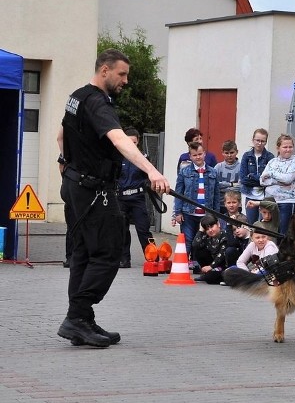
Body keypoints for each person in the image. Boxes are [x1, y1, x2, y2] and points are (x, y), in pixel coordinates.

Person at [57, 48, 170, 348]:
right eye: (122, 74)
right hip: (94, 189)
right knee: (108, 253)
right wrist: (152, 172)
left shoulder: (77, 96)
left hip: (75, 184)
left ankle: (80, 319)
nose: (126, 81)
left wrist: (65, 166)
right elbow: (119, 139)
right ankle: (78, 317)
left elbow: (61, 134)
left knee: (82, 252)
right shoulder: (97, 103)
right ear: (104, 70)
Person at [172, 141, 220, 262]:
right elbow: (178, 194)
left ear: (204, 154)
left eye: (200, 154)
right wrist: (177, 212)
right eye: (194, 155)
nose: (198, 157)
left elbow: (216, 195)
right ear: (190, 156)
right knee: (188, 239)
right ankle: (182, 264)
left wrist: (216, 215)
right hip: (188, 213)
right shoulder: (184, 172)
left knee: (203, 241)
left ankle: (198, 263)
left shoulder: (213, 172)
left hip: (206, 214)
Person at [117, 127, 153, 269]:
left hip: (137, 197)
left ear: (138, 142)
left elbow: (149, 175)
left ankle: (152, 258)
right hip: (121, 198)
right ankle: (124, 259)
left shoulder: (143, 157)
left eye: (134, 142)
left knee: (143, 229)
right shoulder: (118, 157)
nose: (132, 145)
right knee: (122, 230)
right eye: (129, 142)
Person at [259, 134, 295, 236]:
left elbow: (288, 179)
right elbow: (262, 181)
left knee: (282, 232)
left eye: (290, 147)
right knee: (266, 230)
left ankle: (281, 251)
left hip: (286, 201)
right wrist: (279, 180)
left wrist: (271, 175)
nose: (288, 149)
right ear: (278, 148)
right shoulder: (272, 162)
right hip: (270, 200)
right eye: (285, 147)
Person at [239, 128, 274, 224]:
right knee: (251, 224)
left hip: (265, 196)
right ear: (253, 140)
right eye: (257, 140)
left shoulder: (270, 157)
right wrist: (261, 179)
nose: (260, 143)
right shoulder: (246, 156)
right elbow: (243, 179)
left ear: (266, 142)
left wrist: (252, 176)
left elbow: (270, 180)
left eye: (263, 141)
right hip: (250, 194)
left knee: (264, 223)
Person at [192, 214, 227, 283]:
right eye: (207, 229)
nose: (210, 230)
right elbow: (195, 245)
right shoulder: (207, 237)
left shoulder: (224, 235)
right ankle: (206, 273)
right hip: (213, 264)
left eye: (212, 227)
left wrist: (211, 266)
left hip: (223, 265)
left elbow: (221, 255)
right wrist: (200, 230)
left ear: (218, 224)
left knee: (210, 278)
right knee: (198, 250)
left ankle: (222, 277)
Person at [214, 140, 241, 208]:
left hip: (236, 205)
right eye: (226, 153)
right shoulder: (218, 167)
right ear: (222, 153)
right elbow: (215, 185)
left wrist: (223, 187)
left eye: (232, 152)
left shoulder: (241, 167)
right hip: (220, 204)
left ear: (237, 152)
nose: (229, 155)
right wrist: (231, 184)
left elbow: (241, 186)